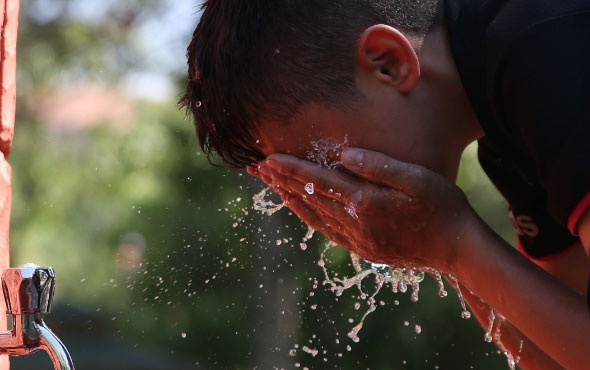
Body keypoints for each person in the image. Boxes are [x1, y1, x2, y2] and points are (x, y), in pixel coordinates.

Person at [180, 0, 590, 369]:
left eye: (322, 161)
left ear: (389, 63)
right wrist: (443, 250)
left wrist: (456, 244)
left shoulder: (549, 50)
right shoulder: (502, 130)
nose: (333, 190)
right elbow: (557, 357)